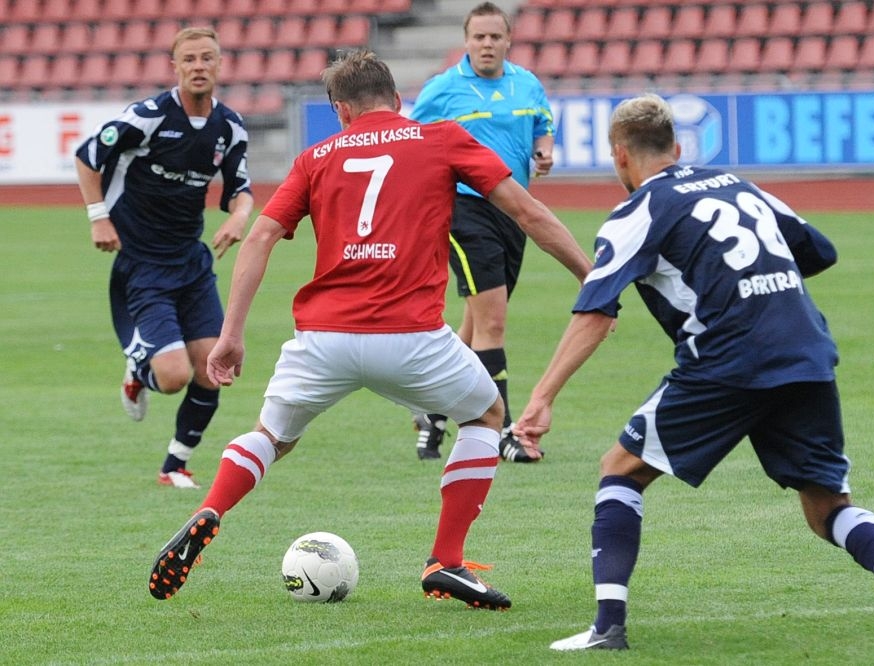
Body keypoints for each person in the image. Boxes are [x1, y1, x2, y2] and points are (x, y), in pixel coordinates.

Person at [147, 49, 591, 609]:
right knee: (486, 416)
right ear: (398, 102)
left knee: (272, 435)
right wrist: (588, 274)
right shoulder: (442, 139)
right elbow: (526, 212)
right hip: (411, 337)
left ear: (340, 110)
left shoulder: (317, 156)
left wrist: (232, 333)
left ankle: (209, 509)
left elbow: (258, 238)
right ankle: (446, 561)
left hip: (323, 339)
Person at [514, 94, 874, 651]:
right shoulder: (740, 185)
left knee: (620, 470)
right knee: (825, 509)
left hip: (727, 359)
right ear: (676, 147)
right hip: (805, 353)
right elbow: (818, 251)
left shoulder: (637, 211)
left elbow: (596, 311)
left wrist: (542, 397)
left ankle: (608, 627)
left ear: (619, 157)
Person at [75, 26, 253, 489]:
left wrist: (238, 218)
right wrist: (99, 217)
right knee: (173, 377)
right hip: (143, 264)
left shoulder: (229, 127)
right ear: (174, 66)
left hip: (191, 264)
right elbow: (86, 156)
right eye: (189, 59)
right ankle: (139, 371)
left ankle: (175, 465)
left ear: (219, 64)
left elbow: (241, 192)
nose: (199, 66)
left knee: (215, 369)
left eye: (207, 58)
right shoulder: (148, 116)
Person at [407, 2, 555, 463]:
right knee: (493, 321)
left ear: (508, 40)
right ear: (466, 41)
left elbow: (543, 124)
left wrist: (543, 151)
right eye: (479, 37)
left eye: (495, 37)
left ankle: (433, 411)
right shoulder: (443, 90)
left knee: (475, 323)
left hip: (515, 212)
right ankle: (503, 430)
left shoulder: (526, 83)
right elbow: (410, 140)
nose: (487, 44)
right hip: (464, 210)